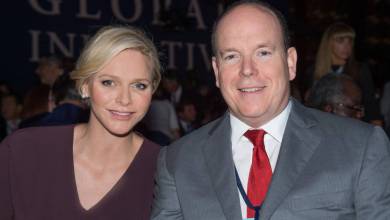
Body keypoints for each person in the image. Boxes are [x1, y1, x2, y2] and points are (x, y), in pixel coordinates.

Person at [151, 1, 390, 220]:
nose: (247, 70)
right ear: (216, 70)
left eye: (263, 52)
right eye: (232, 56)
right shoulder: (177, 161)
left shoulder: (361, 147)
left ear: (290, 63)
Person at [0, 25, 161, 219]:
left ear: (151, 91)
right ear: (84, 87)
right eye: (108, 82)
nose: (124, 99)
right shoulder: (23, 151)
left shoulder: (164, 172)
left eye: (139, 85)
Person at [307, 22, 382, 125]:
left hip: (353, 125)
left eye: (350, 41)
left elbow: (371, 104)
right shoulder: (314, 71)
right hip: (322, 125)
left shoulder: (359, 70)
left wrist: (377, 128)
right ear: (329, 43)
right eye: (340, 41)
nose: (347, 46)